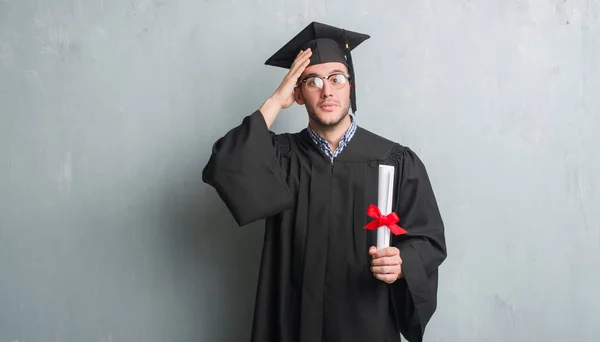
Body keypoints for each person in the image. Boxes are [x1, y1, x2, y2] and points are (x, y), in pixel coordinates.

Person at [202, 21, 447, 342]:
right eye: (312, 81)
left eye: (336, 78)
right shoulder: (279, 156)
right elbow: (226, 162)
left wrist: (403, 262)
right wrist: (275, 100)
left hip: (365, 323)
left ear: (351, 86)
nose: (327, 90)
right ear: (299, 93)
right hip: (292, 323)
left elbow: (429, 241)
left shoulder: (396, 160)